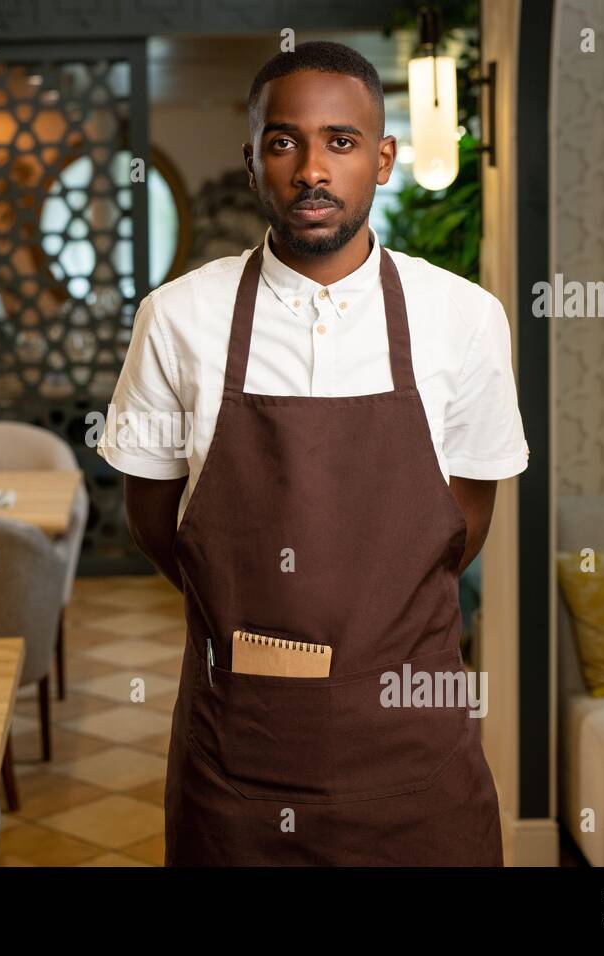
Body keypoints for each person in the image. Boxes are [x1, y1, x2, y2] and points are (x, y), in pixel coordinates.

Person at [97, 40, 529, 865]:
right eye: (284, 141)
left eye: (342, 141)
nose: (311, 170)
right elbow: (158, 522)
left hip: (414, 750)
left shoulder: (464, 318)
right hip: (241, 758)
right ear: (254, 159)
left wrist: (370, 628)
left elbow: (461, 527)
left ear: (384, 157)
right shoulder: (177, 316)